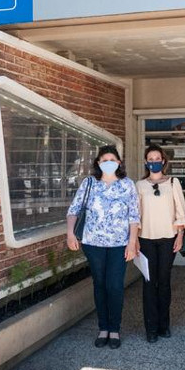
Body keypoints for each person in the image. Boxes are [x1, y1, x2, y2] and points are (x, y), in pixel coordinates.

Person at [67, 145, 140, 350]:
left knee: (115, 286)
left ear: (119, 162)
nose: (108, 162)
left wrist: (132, 242)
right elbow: (74, 210)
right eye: (104, 159)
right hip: (93, 243)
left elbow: (134, 216)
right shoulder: (89, 183)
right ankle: (103, 329)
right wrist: (70, 233)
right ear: (98, 163)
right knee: (99, 284)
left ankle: (115, 329)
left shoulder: (127, 185)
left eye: (112, 159)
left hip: (119, 244)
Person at [136, 144, 185, 342]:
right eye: (151, 159)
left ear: (163, 161)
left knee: (164, 282)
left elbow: (180, 211)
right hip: (146, 240)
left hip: (168, 239)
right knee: (149, 283)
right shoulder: (139, 185)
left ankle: (164, 325)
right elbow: (136, 215)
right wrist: (135, 240)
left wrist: (180, 235)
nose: (154, 162)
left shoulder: (173, 182)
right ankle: (150, 328)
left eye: (158, 158)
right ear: (146, 162)